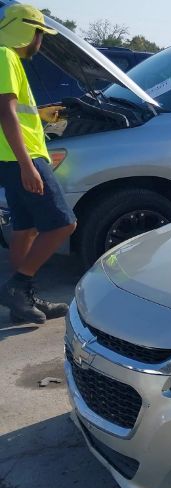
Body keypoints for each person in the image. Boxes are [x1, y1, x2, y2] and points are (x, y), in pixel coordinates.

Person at [0, 4, 75, 324]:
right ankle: (18, 287)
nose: (40, 42)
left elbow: (18, 110)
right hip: (23, 156)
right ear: (26, 30)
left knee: (26, 228)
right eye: (40, 34)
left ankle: (22, 299)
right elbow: (5, 111)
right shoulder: (4, 54)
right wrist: (27, 164)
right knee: (63, 223)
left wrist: (42, 115)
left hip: (13, 157)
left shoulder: (9, 58)